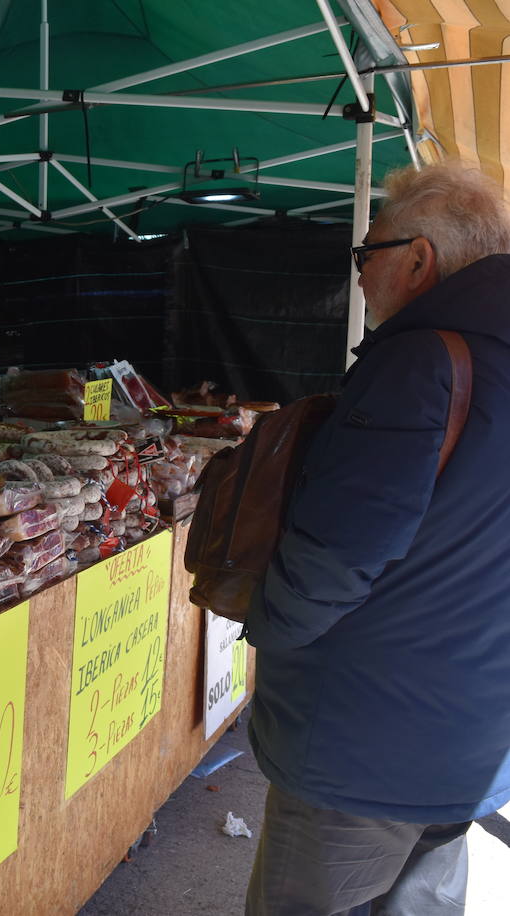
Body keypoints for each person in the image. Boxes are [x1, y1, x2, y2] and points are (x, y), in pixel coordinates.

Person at [244, 161, 510, 915]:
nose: (360, 275)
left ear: (419, 260)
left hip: (363, 747)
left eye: (369, 254)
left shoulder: (421, 363)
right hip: (473, 736)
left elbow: (337, 552)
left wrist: (266, 625)